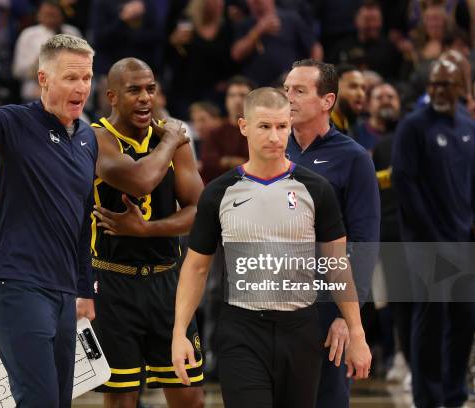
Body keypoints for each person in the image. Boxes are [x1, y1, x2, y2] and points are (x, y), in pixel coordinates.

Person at [171, 87, 372, 408]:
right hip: (241, 330)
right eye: (264, 126)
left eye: (281, 126)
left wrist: (356, 331)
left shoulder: (316, 189)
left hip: (301, 330)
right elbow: (196, 267)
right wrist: (179, 332)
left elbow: (337, 265)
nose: (274, 136)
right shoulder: (219, 192)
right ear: (244, 126)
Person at [0, 34, 99, 407]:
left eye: (87, 78)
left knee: (59, 401)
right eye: (71, 78)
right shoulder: (16, 123)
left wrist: (83, 289)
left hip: (63, 292)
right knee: (38, 400)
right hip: (14, 284)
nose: (82, 88)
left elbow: (82, 221)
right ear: (44, 79)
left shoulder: (87, 140)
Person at [90, 57, 205, 408]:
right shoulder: (95, 138)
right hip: (113, 284)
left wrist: (146, 230)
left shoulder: (174, 141)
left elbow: (200, 213)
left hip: (168, 282)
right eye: (134, 90)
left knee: (190, 398)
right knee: (122, 400)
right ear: (112, 96)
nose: (145, 98)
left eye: (150, 89)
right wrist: (170, 141)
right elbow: (139, 181)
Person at [283, 60, 380, 408]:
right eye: (287, 90)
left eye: (299, 91)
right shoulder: (272, 150)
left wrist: (346, 319)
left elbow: (365, 243)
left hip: (326, 305)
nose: (288, 98)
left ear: (327, 101)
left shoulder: (353, 158)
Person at [392, 59, 474, 408]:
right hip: (428, 244)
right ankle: (428, 396)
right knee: (433, 316)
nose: (439, 90)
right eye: (435, 84)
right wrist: (432, 235)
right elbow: (405, 185)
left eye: (446, 84)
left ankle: (454, 392)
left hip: (463, 241)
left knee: (465, 318)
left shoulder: (469, 128)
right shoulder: (413, 127)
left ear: (461, 89)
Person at [330, 64, 366, 138]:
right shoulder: (318, 127)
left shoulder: (351, 128)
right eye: (353, 86)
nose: (361, 93)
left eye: (363, 88)